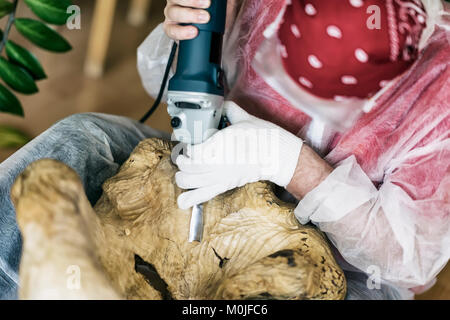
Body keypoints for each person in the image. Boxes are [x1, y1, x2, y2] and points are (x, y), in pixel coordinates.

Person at [0, 0, 447, 300]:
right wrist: (189, 36)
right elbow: (165, 74)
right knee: (77, 143)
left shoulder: (441, 92)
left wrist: (287, 161)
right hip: (200, 163)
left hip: (346, 256)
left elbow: (405, 260)